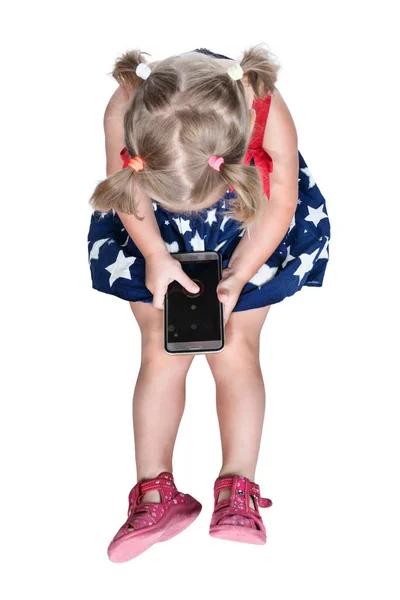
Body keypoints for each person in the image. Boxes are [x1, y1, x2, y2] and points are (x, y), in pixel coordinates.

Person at [87, 46, 331, 562]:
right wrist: (154, 253)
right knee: (160, 345)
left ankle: (236, 490)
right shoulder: (125, 106)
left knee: (236, 348)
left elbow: (281, 200)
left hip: (251, 223)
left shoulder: (261, 100)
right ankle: (154, 494)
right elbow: (130, 196)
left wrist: (239, 275)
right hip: (155, 231)